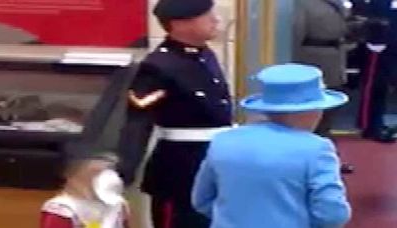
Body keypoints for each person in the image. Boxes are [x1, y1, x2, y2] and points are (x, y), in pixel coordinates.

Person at [116, 0, 232, 227]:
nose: (216, 20)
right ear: (179, 24)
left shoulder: (205, 55)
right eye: (206, 15)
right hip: (179, 169)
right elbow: (137, 123)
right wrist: (123, 170)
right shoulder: (159, 65)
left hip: (214, 160)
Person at [192, 64, 351, 228]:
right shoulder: (317, 149)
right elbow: (332, 214)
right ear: (313, 111)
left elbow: (201, 200)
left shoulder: (223, 141)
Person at [293, 0, 355, 173]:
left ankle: (327, 160)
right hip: (313, 62)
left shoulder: (337, 3)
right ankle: (310, 163)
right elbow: (297, 36)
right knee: (311, 118)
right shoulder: (304, 4)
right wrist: (299, 70)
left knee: (328, 116)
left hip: (335, 60)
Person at [40, 152, 131, 228]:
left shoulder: (118, 205)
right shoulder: (62, 209)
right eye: (95, 172)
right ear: (72, 176)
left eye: (109, 170)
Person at [357, 0, 397, 142]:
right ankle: (370, 126)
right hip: (379, 43)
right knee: (374, 86)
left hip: (390, 42)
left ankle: (377, 122)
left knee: (383, 87)